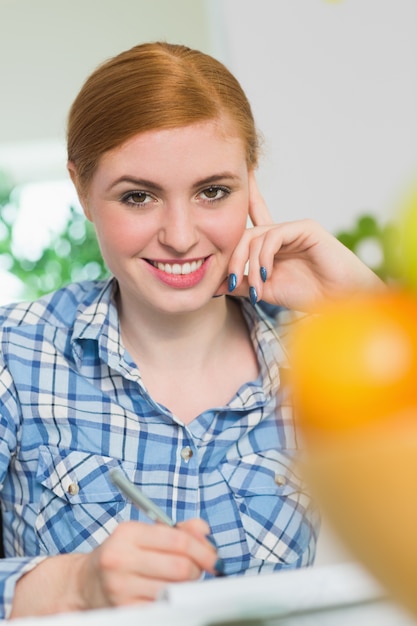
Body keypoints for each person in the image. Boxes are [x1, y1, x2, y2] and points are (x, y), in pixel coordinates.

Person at [0, 41, 383, 619]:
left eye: (212, 191)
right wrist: (77, 584)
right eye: (138, 196)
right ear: (81, 190)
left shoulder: (321, 355)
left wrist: (364, 306)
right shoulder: (15, 353)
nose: (180, 236)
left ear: (250, 180)